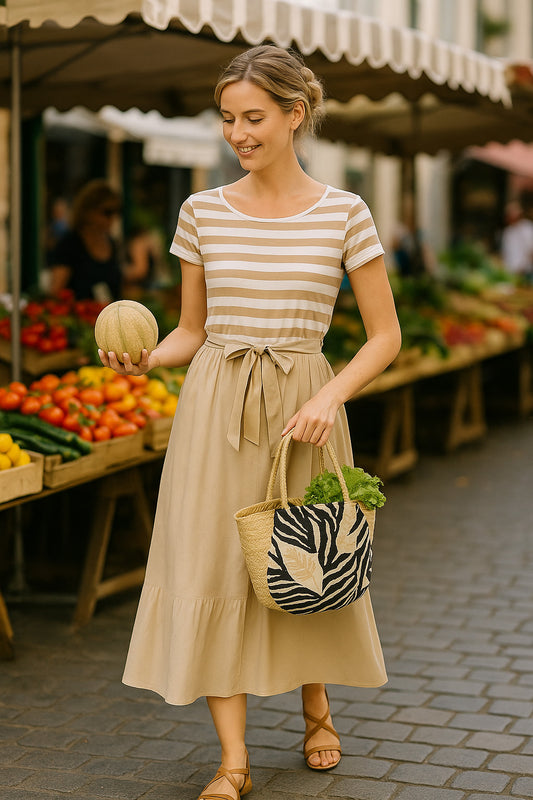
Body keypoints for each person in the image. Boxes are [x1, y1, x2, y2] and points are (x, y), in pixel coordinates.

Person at [99, 45, 401, 800]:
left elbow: (384, 336)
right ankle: (232, 762)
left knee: (304, 560)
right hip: (214, 409)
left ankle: (316, 708)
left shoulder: (345, 212)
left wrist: (329, 397)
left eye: (254, 117)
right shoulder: (201, 210)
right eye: (229, 118)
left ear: (294, 115)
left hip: (305, 404)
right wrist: (147, 363)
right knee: (212, 566)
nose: (238, 132)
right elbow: (191, 330)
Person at [48, 179, 122, 301]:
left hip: (108, 317)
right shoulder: (70, 244)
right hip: (79, 317)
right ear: (88, 211)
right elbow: (56, 292)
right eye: (107, 212)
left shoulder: (112, 244)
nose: (112, 219)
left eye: (116, 212)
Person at [500, 201, 533, 283]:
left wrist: (522, 268)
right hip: (510, 273)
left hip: (526, 272)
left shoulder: (527, 228)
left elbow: (531, 251)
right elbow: (505, 253)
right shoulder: (507, 232)